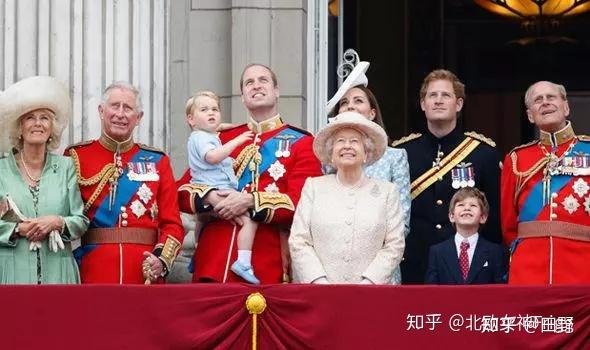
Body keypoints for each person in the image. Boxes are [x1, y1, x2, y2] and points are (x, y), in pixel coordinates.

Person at [177, 63, 322, 283]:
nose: (256, 86)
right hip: (212, 261)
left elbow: (302, 203)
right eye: (249, 83)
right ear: (243, 97)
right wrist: (211, 197)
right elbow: (181, 191)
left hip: (266, 264)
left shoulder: (302, 142)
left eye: (263, 80)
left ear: (276, 91)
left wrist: (249, 201)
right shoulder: (220, 139)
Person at [65, 81, 184, 284]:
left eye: (128, 108)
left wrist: (161, 259)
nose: (120, 114)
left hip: (144, 271)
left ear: (138, 118)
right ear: (101, 111)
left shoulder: (157, 160)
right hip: (93, 270)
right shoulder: (76, 156)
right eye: (115, 106)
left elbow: (172, 223)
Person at [393, 69, 501, 284]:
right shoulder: (402, 153)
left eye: (446, 95)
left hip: (466, 264)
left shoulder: (482, 153)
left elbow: (494, 214)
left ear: (458, 105)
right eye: (432, 95)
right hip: (415, 260)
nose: (438, 101)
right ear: (423, 104)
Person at [289, 111, 405, 284]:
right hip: (319, 294)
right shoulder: (313, 187)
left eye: (354, 141)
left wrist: (369, 283)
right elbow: (299, 240)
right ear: (332, 154)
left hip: (371, 295)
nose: (347, 146)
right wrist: (319, 282)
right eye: (340, 141)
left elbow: (394, 244)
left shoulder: (387, 192)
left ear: (366, 153)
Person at [326, 58, 410, 284]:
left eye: (358, 101)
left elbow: (402, 224)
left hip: (381, 271)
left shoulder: (395, 157)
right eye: (344, 102)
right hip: (335, 266)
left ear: (372, 113)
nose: (350, 106)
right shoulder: (327, 160)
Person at [0, 76, 89, 284]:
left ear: (52, 128)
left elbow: (80, 221)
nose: (37, 123)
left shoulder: (66, 167)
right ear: (19, 127)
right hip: (12, 273)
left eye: (44, 118)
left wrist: (57, 222)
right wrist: (17, 229)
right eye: (30, 117)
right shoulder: (1, 170)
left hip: (58, 272)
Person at [501, 81, 590, 284]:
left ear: (566, 107)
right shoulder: (516, 159)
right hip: (529, 268)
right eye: (538, 100)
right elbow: (508, 225)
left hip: (583, 266)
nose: (545, 103)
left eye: (551, 97)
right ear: (530, 115)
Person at [185, 90, 260, 284]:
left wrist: (231, 128)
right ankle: (243, 262)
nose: (211, 113)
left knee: (202, 220)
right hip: (217, 188)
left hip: (206, 186)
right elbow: (212, 156)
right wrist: (236, 140)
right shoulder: (204, 138)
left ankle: (196, 251)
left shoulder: (202, 134)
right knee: (249, 221)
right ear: (191, 119)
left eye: (215, 109)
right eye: (204, 110)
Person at [425, 187, 506, 284]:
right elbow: (431, 291)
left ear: (483, 217)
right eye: (461, 205)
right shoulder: (437, 252)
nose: (467, 208)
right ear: (451, 216)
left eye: (473, 205)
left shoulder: (495, 252)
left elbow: (500, 291)